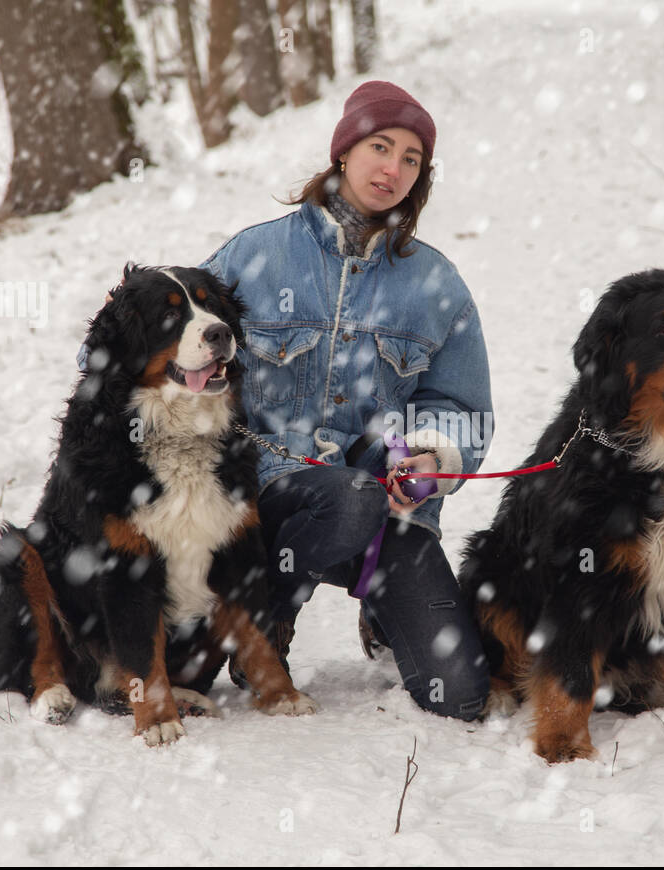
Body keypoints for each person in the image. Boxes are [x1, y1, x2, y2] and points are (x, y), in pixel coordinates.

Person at [200, 81, 494, 721]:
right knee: (343, 498)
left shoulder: (435, 282)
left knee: (461, 694)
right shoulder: (257, 255)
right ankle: (266, 612)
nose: (393, 169)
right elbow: (177, 338)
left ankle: (381, 609)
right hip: (268, 505)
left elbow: (460, 403)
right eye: (380, 147)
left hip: (385, 507)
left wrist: (432, 458)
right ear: (344, 152)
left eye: (411, 159)